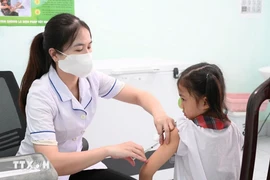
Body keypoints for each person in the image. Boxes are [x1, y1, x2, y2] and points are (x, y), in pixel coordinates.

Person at [16, 13, 175, 180]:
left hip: (76, 166)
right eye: (79, 49)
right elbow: (50, 163)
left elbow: (139, 95)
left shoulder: (90, 78)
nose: (87, 54)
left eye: (89, 46)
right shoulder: (41, 94)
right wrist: (107, 151)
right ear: (55, 54)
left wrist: (160, 114)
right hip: (37, 173)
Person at [139, 62, 244, 180]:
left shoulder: (182, 132)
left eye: (183, 99)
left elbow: (146, 172)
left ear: (205, 103)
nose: (180, 105)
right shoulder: (234, 130)